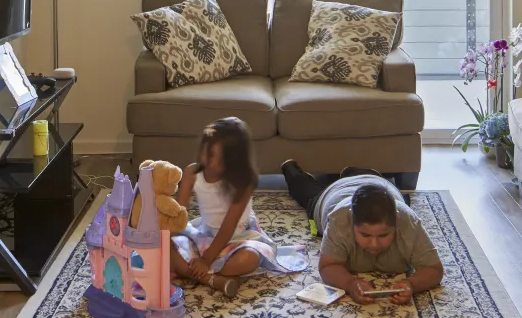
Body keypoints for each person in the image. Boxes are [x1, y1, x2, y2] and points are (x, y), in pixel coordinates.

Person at [169, 117, 301, 296]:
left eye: (214, 155)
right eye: (205, 150)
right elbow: (178, 213)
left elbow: (228, 228)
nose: (206, 158)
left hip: (240, 236)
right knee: (165, 247)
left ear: (231, 160)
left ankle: (205, 273)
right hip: (206, 235)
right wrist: (165, 236)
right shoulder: (192, 172)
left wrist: (206, 261)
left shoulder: (243, 183)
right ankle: (213, 280)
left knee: (249, 258)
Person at [281, 163, 444, 305]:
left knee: (399, 197)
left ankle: (357, 172)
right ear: (351, 221)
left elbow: (435, 270)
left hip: (380, 184)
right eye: (365, 235)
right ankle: (291, 169)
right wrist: (350, 284)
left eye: (383, 235)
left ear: (396, 221)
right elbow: (327, 266)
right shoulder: (339, 220)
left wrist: (412, 285)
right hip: (334, 195)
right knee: (305, 192)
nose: (374, 244)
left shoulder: (408, 221)